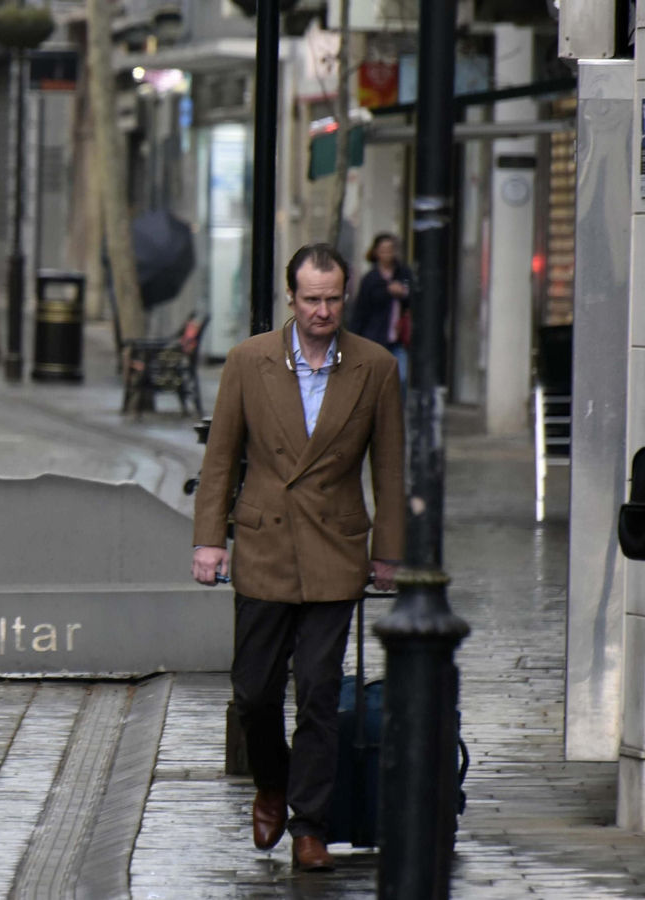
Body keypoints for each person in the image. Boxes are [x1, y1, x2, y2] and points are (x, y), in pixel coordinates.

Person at [190, 243, 403, 873]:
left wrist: (387, 551)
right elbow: (220, 460)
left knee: (316, 693)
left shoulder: (376, 367)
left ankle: (311, 825)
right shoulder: (247, 362)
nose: (323, 310)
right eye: (311, 299)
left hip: (334, 551)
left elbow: (389, 469)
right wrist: (209, 539)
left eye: (333, 298)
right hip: (263, 546)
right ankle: (273, 782)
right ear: (291, 298)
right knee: (254, 694)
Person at [349, 233, 413, 392]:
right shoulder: (371, 279)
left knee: (401, 378)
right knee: (376, 381)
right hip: (375, 337)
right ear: (376, 252)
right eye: (383, 250)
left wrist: (403, 293)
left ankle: (398, 414)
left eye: (390, 249)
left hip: (398, 339)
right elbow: (361, 311)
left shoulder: (403, 274)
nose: (387, 254)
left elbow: (415, 299)